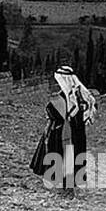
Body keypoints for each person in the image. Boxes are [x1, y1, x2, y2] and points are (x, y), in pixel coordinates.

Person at [32, 64, 97, 192]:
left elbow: (54, 113)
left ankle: (60, 184)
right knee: (76, 153)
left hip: (63, 132)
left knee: (60, 154)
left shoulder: (63, 98)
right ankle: (73, 182)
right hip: (78, 132)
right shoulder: (82, 95)